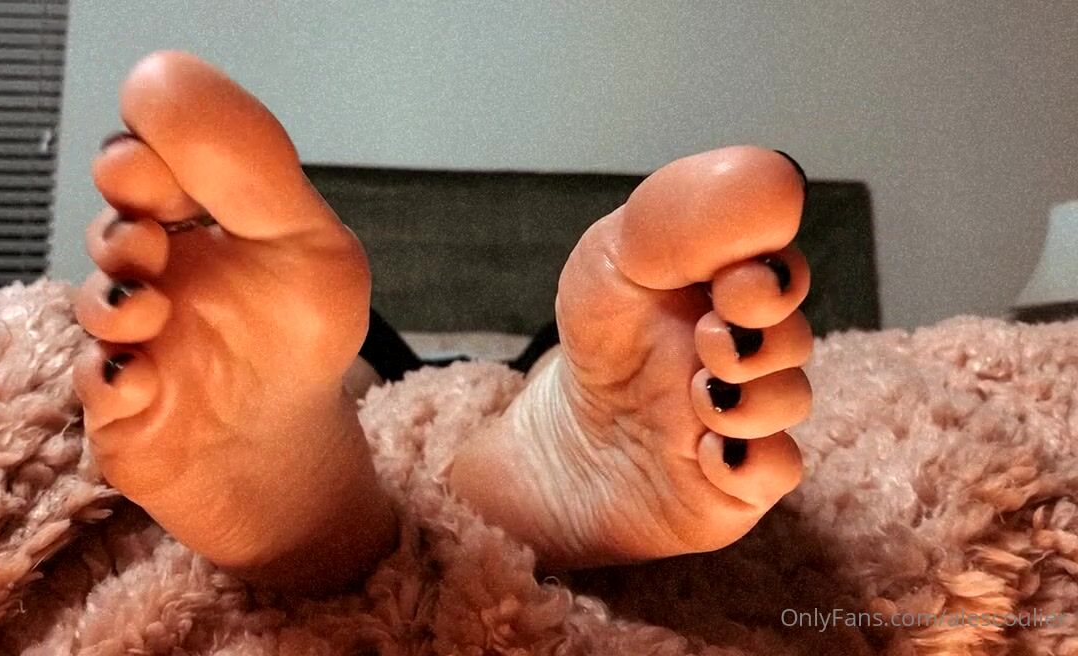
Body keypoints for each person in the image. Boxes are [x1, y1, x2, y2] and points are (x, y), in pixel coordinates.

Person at [72, 51, 814, 595]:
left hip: (401, 348)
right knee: (375, 343)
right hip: (375, 343)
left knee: (393, 350)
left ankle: (554, 416)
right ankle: (515, 416)